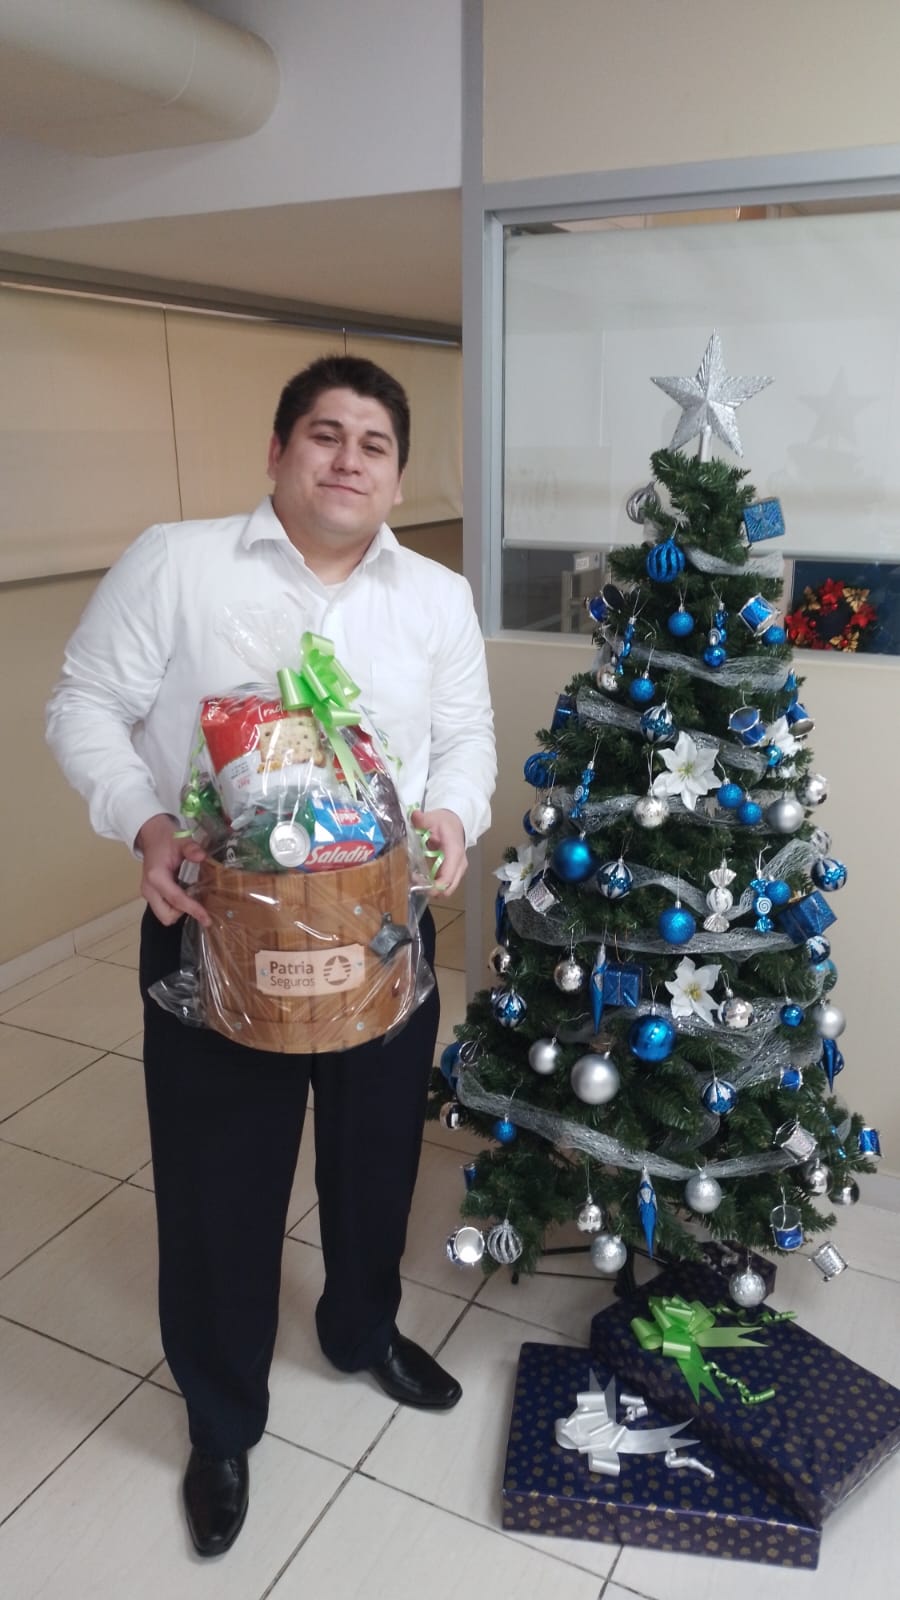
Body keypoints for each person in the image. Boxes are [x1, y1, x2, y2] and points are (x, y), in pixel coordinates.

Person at [46, 354, 496, 1558]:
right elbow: (82, 701)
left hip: (381, 930)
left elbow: (467, 737)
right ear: (279, 451)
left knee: (375, 1155)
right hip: (213, 926)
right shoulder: (177, 563)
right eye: (325, 434)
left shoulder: (437, 596)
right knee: (217, 1180)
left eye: (374, 444)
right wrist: (148, 824)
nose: (350, 458)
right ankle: (221, 1415)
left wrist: (452, 816)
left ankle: (362, 1329)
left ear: (398, 476)